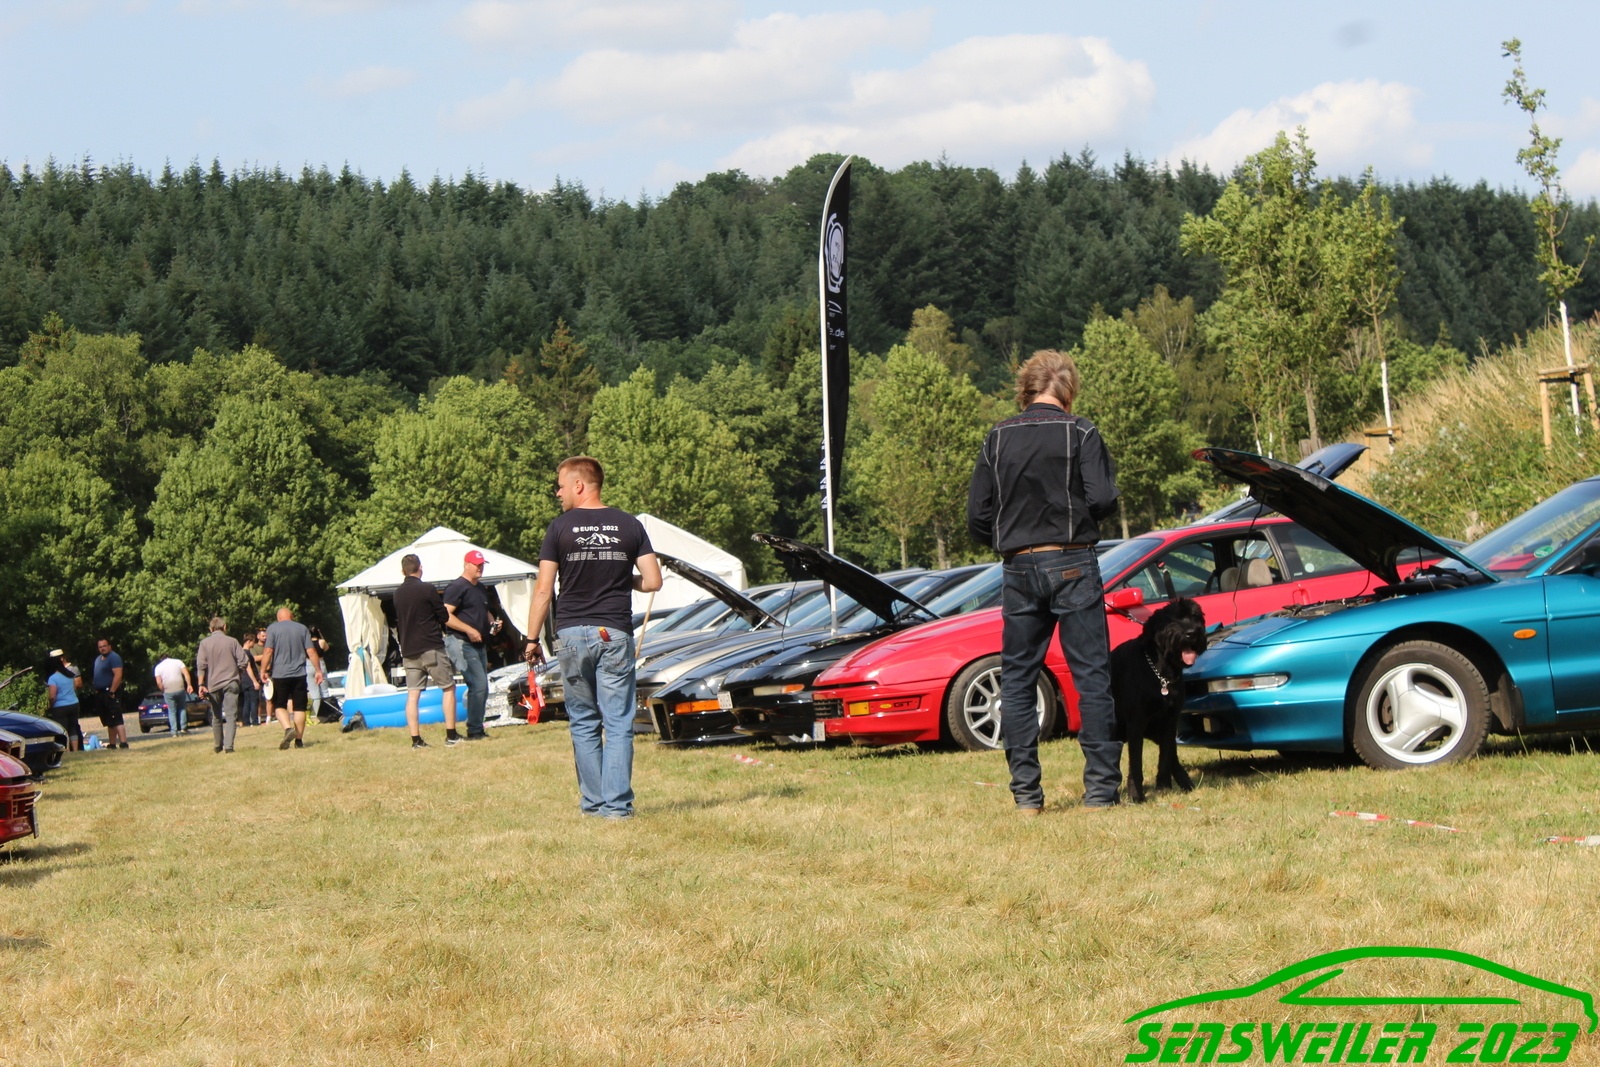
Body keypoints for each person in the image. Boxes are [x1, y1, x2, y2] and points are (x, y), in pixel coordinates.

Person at [966, 349, 1121, 813]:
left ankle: (1027, 798)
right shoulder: (1081, 431)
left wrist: (1008, 538)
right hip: (1072, 559)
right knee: (1091, 676)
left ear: (1026, 389)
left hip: (1018, 565)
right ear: (1067, 391)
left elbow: (977, 515)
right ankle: (1100, 792)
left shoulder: (996, 437)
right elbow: (1103, 498)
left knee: (1017, 681)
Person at [525, 456, 662, 818]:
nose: (558, 493)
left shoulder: (559, 528)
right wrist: (620, 577)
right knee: (617, 722)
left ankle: (594, 805)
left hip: (571, 632)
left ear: (579, 485)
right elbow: (653, 581)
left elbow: (544, 590)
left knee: (584, 720)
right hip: (613, 631)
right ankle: (617, 809)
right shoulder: (630, 525)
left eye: (560, 486)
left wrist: (531, 639)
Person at [393, 554, 459, 748]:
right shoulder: (427, 589)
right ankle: (451, 735)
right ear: (420, 568)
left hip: (408, 650)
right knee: (448, 688)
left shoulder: (397, 594)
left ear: (403, 571)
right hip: (430, 646)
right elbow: (443, 616)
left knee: (413, 695)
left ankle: (416, 740)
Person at [444, 549, 501, 740]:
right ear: (466, 565)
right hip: (461, 642)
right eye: (477, 565)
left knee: (481, 686)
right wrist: (468, 629)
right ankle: (475, 730)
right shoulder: (457, 587)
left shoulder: (480, 587)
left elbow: (485, 611)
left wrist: (493, 623)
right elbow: (445, 615)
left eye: (482, 565)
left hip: (479, 643)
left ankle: (477, 727)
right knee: (478, 684)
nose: (480, 568)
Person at [260, 607, 324, 750]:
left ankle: (288, 728)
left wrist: (263, 670)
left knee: (279, 705)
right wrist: (318, 670)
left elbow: (268, 651)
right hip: (299, 674)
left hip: (280, 674)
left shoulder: (272, 629)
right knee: (299, 707)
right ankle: (299, 741)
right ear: (292, 616)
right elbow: (311, 651)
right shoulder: (302, 628)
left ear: (278, 618)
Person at [196, 617, 252, 754]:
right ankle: (229, 746)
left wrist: (201, 684)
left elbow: (201, 665)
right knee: (231, 716)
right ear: (225, 627)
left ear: (210, 629)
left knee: (216, 715)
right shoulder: (232, 641)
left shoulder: (204, 643)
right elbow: (244, 661)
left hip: (213, 684)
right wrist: (238, 672)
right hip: (231, 682)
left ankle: (217, 745)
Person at [92, 636, 130, 749]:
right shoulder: (98, 659)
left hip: (111, 692)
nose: (102, 648)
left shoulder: (114, 658)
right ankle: (112, 744)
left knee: (116, 717)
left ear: (109, 646)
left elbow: (118, 675)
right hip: (101, 693)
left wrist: (112, 691)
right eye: (100, 647)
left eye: (104, 646)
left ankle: (123, 743)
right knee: (109, 719)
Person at [43, 651, 82, 752]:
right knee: (72, 728)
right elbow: (74, 688)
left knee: (62, 729)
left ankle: (66, 749)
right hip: (74, 703)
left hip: (60, 707)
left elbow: (52, 696)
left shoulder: (53, 678)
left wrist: (50, 706)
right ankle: (75, 750)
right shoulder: (70, 675)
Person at [153, 653, 195, 736]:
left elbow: (158, 682)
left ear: (161, 659)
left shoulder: (158, 667)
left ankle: (174, 732)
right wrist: (189, 685)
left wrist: (163, 690)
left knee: (172, 711)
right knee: (182, 708)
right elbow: (186, 674)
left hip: (168, 690)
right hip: (180, 688)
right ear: (169, 657)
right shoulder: (178, 662)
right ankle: (183, 728)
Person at [305, 626, 332, 720]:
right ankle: (328, 713)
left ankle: (317, 714)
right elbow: (327, 648)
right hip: (320, 664)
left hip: (309, 664)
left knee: (314, 693)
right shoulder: (321, 641)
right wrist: (321, 635)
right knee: (324, 691)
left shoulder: (305, 643)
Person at [239, 632, 262, 727]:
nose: (254, 644)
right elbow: (248, 668)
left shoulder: (240, 653)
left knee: (246, 701)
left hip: (243, 680)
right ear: (248, 642)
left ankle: (246, 721)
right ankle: (255, 721)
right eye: (253, 642)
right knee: (254, 701)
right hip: (250, 680)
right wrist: (255, 681)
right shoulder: (247, 653)